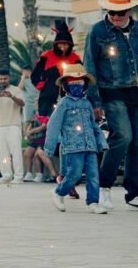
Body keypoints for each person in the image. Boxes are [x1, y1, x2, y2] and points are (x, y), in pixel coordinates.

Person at [84, 0, 138, 210]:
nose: (116, 16)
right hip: (111, 92)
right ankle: (103, 186)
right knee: (123, 135)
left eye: (120, 12)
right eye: (112, 12)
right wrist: (95, 101)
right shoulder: (97, 31)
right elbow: (89, 66)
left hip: (136, 91)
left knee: (137, 141)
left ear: (128, 11)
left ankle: (133, 192)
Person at [45, 64, 109, 213]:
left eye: (79, 83)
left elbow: (93, 125)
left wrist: (101, 142)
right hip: (73, 146)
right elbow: (53, 125)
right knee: (74, 174)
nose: (76, 86)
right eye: (72, 83)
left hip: (90, 146)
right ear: (65, 85)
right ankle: (59, 192)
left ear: (85, 84)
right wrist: (49, 147)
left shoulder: (87, 104)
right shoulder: (63, 103)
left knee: (93, 175)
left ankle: (93, 202)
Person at [32, 20, 80, 117]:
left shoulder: (75, 58)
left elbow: (81, 75)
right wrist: (41, 84)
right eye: (61, 44)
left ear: (70, 45)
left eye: (66, 44)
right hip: (48, 96)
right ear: (56, 44)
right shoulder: (46, 56)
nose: (63, 47)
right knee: (47, 120)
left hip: (70, 95)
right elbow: (36, 74)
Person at [0, 69, 25, 184]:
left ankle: (18, 176)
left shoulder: (16, 90)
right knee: (2, 152)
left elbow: (22, 103)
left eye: (5, 79)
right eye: (1, 79)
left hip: (14, 125)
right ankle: (6, 176)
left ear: (9, 78)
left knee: (16, 151)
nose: (3, 81)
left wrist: (12, 96)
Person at [22, 112, 58, 183]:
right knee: (27, 153)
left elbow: (43, 127)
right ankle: (29, 174)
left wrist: (31, 131)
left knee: (37, 154)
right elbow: (28, 127)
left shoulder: (46, 116)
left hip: (43, 140)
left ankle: (40, 174)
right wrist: (28, 131)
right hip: (35, 140)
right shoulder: (35, 116)